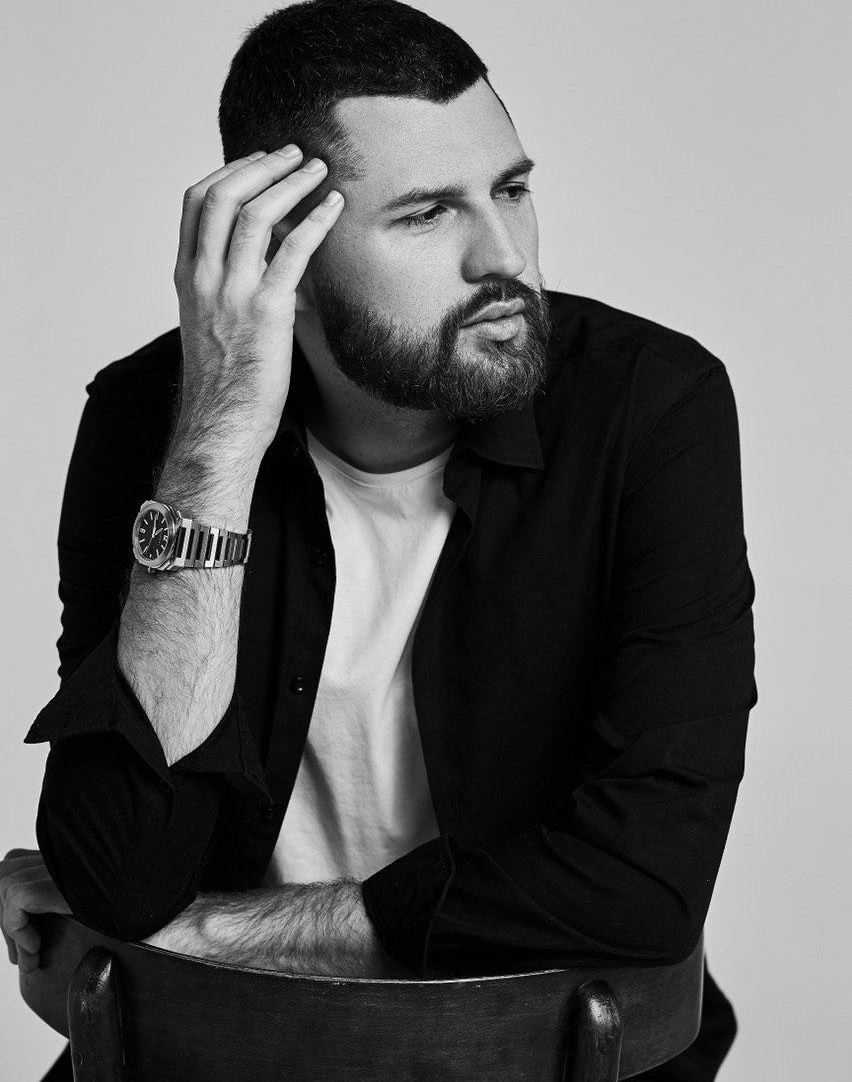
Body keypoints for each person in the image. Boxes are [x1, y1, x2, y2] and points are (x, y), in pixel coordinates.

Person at [1, 1, 757, 1078]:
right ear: (287, 251)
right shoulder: (154, 420)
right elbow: (121, 873)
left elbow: (646, 881)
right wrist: (219, 437)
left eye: (511, 189)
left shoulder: (651, 407)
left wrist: (224, 927)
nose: (505, 257)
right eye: (426, 214)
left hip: (538, 1052)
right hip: (221, 1050)